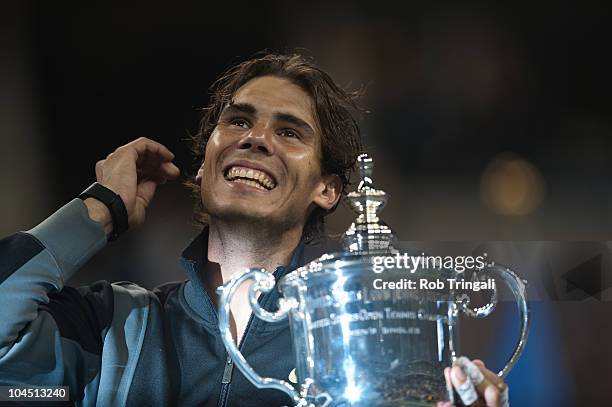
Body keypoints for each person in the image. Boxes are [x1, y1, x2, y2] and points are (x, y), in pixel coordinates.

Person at [0, 53, 508, 406]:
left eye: (288, 131)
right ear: (203, 169)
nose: (256, 139)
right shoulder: (113, 326)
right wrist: (96, 212)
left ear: (327, 190)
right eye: (238, 122)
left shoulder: (362, 342)